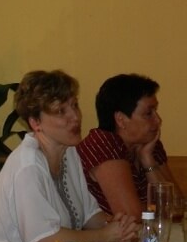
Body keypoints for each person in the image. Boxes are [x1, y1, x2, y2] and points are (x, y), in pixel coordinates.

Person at [0, 70, 138, 242]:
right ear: (35, 122)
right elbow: (45, 239)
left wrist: (118, 226)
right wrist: (105, 235)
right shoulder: (27, 166)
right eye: (60, 111)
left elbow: (89, 215)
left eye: (74, 105)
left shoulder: (69, 151)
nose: (75, 117)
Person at [77, 73, 183, 217]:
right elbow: (131, 215)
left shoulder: (149, 144)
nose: (158, 120)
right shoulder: (101, 143)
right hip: (104, 232)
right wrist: (157, 209)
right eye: (148, 113)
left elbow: (177, 208)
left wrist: (147, 160)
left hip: (148, 230)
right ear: (121, 119)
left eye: (155, 111)